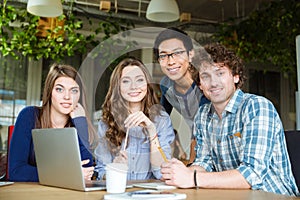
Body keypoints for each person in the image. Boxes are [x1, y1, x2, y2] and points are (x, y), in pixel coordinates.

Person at [161, 43, 299, 196]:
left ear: (235, 76)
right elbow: (204, 163)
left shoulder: (256, 106)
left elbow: (252, 175)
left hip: (272, 195)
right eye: (205, 76)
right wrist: (180, 173)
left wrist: (192, 178)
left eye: (220, 73)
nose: (213, 83)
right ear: (200, 84)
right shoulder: (203, 114)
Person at [8, 64, 96, 182]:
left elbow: (87, 171)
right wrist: (65, 174)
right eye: (59, 89)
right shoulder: (29, 116)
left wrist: (80, 122)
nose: (67, 96)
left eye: (74, 91)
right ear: (50, 92)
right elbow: (16, 171)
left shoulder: (79, 123)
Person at [94, 57, 174, 180]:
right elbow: (101, 174)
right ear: (117, 87)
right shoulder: (107, 122)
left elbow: (162, 173)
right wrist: (114, 169)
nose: (133, 87)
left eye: (139, 80)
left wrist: (152, 131)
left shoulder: (161, 120)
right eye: (126, 81)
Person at [153, 27, 209, 164]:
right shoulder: (166, 85)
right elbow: (161, 120)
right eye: (163, 55)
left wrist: (191, 164)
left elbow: (200, 128)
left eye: (177, 53)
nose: (170, 61)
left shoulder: (205, 82)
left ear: (190, 55)